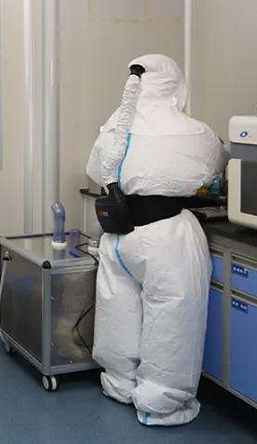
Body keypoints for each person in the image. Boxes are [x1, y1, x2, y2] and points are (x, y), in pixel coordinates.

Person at [86, 54, 227, 426]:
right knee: (172, 318)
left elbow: (94, 169)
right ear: (175, 87)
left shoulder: (112, 128)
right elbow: (214, 165)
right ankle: (161, 404)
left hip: (119, 237)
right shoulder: (193, 132)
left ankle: (119, 383)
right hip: (165, 236)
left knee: (119, 312)